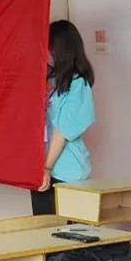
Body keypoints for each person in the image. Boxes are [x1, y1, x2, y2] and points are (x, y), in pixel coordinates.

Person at [32, 19, 96, 216]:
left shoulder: (78, 84)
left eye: (52, 49)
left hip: (67, 172)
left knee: (71, 231)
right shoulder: (48, 78)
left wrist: (47, 167)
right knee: (44, 230)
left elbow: (63, 130)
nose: (48, 54)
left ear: (65, 51)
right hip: (41, 169)